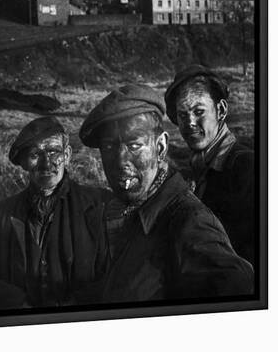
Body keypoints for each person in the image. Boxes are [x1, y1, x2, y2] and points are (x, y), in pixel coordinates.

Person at [79, 85, 253, 303]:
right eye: (109, 147)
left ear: (160, 147)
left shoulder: (189, 221)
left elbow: (240, 287)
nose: (120, 161)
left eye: (134, 145)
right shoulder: (124, 211)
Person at [0, 116, 109, 310]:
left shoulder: (99, 206)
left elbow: (117, 274)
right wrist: (16, 304)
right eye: (35, 155)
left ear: (67, 155)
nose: (45, 163)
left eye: (53, 152)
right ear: (24, 163)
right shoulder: (0, 214)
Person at [165, 65, 255, 264]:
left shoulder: (248, 168)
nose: (190, 122)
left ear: (221, 110)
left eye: (199, 111)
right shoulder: (194, 171)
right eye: (182, 115)